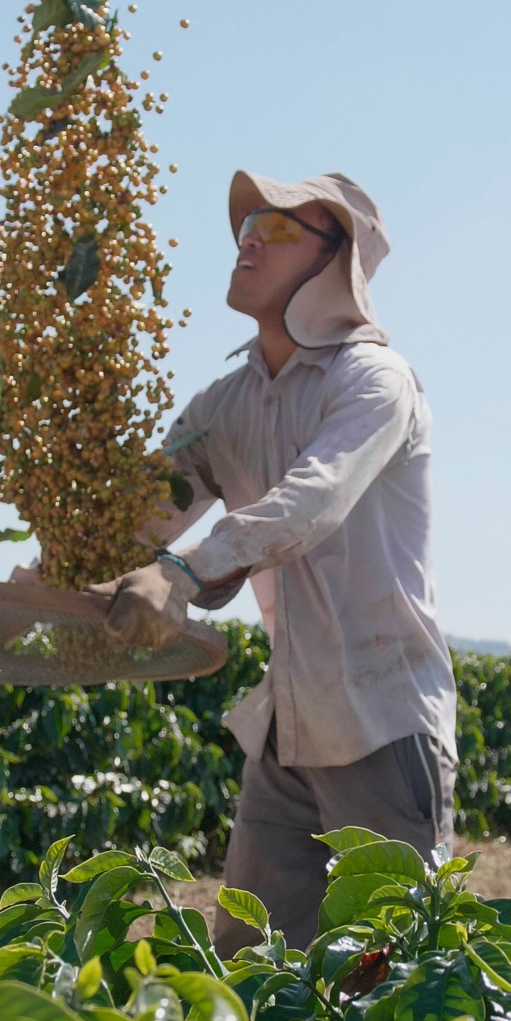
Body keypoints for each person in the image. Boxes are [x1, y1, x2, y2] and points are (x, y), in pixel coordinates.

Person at [91, 171, 455, 954]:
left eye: (280, 227)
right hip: (288, 730)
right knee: (252, 972)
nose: (249, 236)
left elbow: (310, 502)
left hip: (382, 723)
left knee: (388, 974)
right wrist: (49, 573)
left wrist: (183, 574)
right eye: (248, 221)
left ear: (336, 263)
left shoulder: (374, 383)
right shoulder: (226, 404)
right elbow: (142, 513)